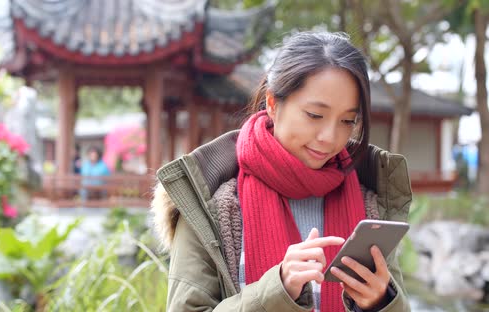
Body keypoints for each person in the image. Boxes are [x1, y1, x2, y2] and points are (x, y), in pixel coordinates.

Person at [151, 31, 411, 312]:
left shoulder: (369, 203)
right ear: (273, 104)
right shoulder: (211, 205)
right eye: (314, 115)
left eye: (348, 120)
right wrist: (277, 290)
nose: (330, 136)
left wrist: (381, 302)